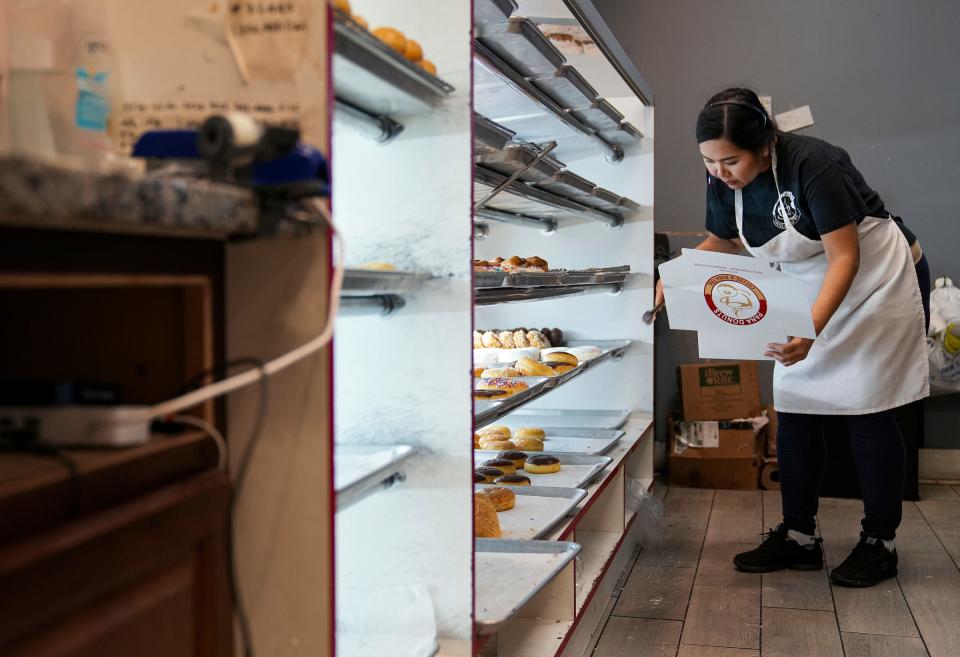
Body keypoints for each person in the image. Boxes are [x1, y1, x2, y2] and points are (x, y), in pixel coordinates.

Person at [655, 88, 930, 587]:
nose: (719, 172)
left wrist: (811, 330)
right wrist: (675, 274)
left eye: (730, 160)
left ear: (763, 145)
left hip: (875, 281)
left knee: (870, 409)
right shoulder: (721, 175)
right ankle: (800, 537)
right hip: (808, 284)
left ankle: (879, 542)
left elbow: (845, 257)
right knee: (796, 407)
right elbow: (723, 238)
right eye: (709, 161)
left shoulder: (815, 163)